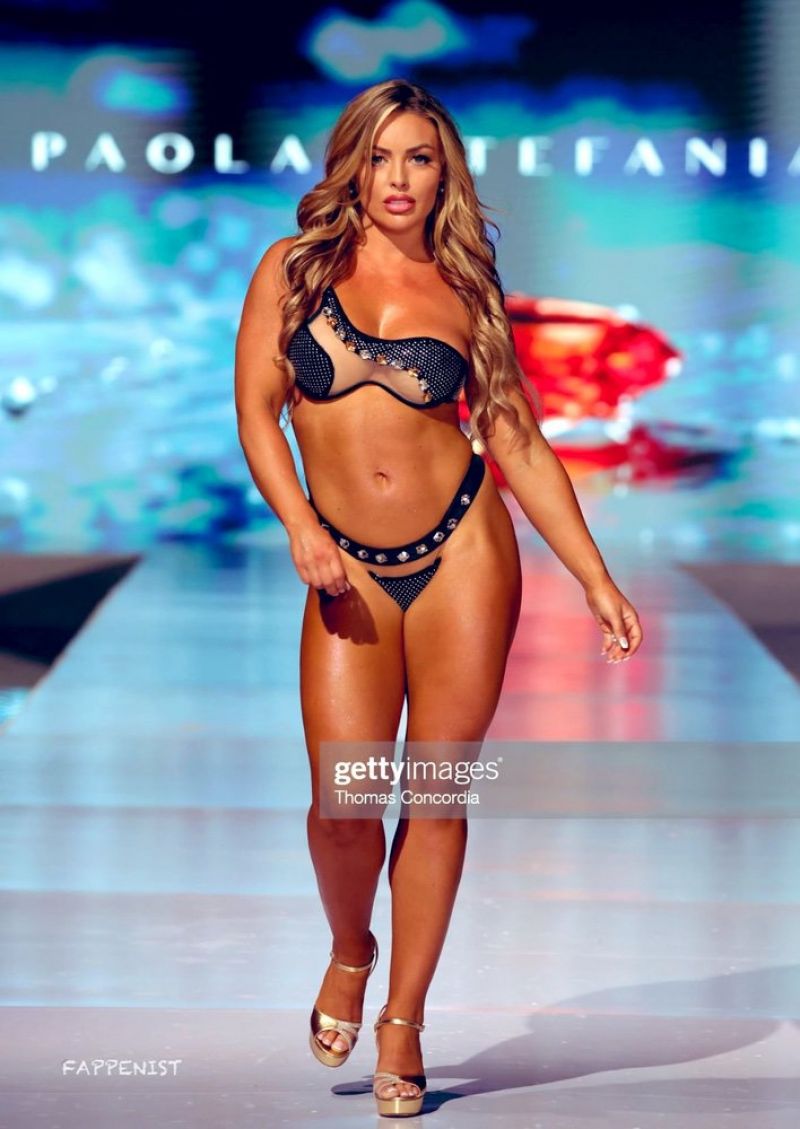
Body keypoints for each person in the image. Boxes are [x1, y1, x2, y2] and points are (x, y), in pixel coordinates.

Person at [234, 77, 643, 1118]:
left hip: (463, 550)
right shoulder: (292, 269)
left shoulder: (466, 285)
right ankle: (350, 949)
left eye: (419, 157)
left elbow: (515, 439)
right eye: (380, 156)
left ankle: (404, 1022)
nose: (398, 178)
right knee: (343, 803)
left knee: (434, 793)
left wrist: (594, 575)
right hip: (347, 564)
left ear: (443, 171)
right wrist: (301, 526)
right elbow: (257, 410)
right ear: (351, 164)